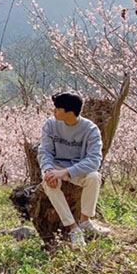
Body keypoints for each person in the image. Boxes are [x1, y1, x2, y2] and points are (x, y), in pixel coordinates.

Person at [37, 92, 110, 247]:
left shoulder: (90, 129)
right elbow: (45, 151)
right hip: (55, 167)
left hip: (77, 168)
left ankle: (85, 221)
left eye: (57, 109)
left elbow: (94, 160)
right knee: (49, 183)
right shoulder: (50, 124)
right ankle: (73, 228)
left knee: (94, 177)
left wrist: (66, 171)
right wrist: (49, 170)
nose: (53, 111)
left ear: (70, 113)